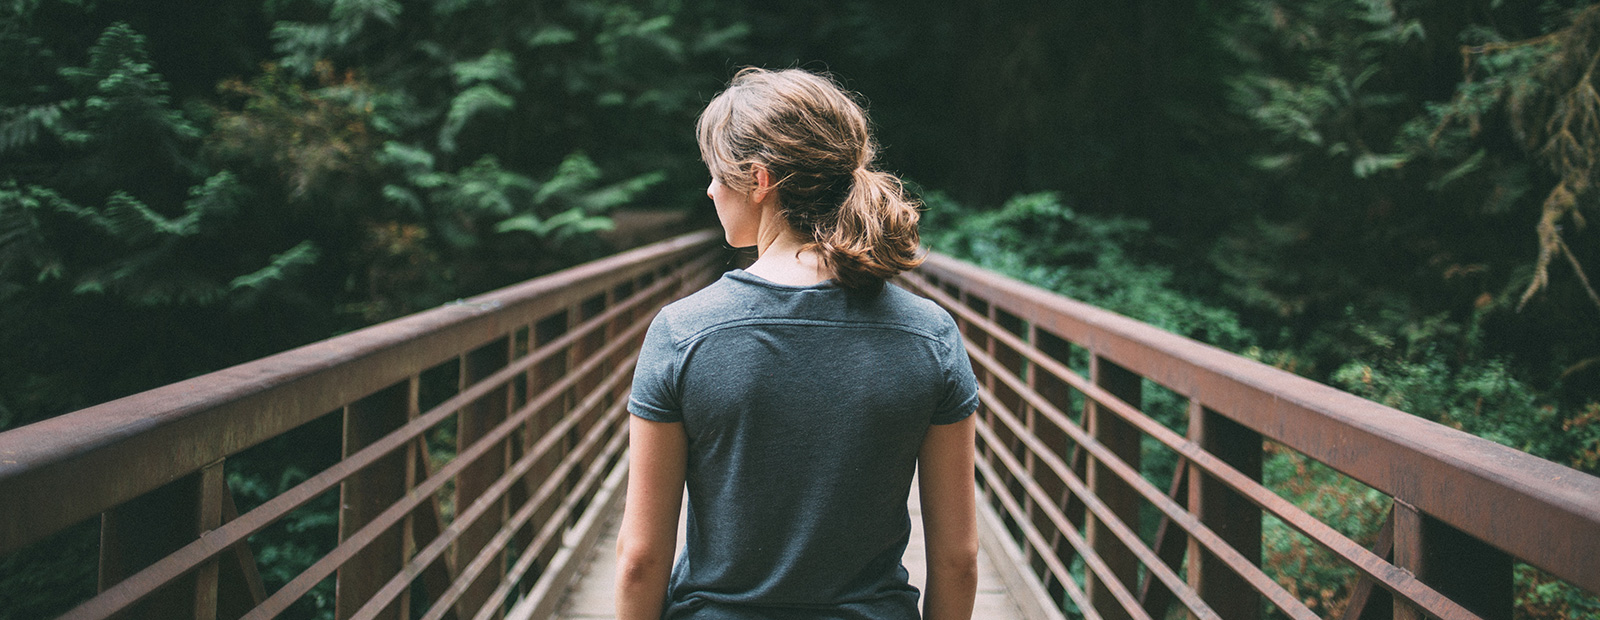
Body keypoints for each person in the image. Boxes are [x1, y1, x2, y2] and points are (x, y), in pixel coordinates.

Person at [616, 67, 981, 620]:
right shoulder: (929, 335)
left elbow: (642, 558)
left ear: (759, 181)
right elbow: (958, 560)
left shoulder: (683, 333)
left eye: (716, 173)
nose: (710, 189)